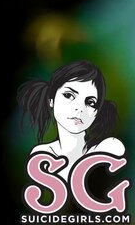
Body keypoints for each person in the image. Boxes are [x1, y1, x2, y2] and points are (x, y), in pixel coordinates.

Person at [16, 60, 127, 208]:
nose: (79, 108)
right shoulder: (38, 154)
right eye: (69, 95)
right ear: (51, 100)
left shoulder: (110, 148)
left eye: (90, 102)